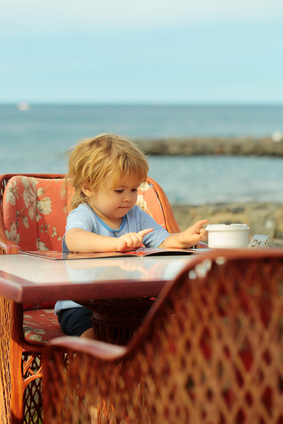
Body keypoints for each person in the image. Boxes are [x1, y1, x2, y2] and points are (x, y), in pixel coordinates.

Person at [55, 133, 208, 339]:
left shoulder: (135, 215)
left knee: (165, 326)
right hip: (80, 304)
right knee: (93, 337)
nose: (129, 198)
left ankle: (139, 370)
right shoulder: (84, 215)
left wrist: (184, 238)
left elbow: (163, 240)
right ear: (88, 188)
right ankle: (90, 370)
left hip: (124, 305)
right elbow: (74, 240)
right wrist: (116, 243)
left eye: (134, 189)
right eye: (119, 190)